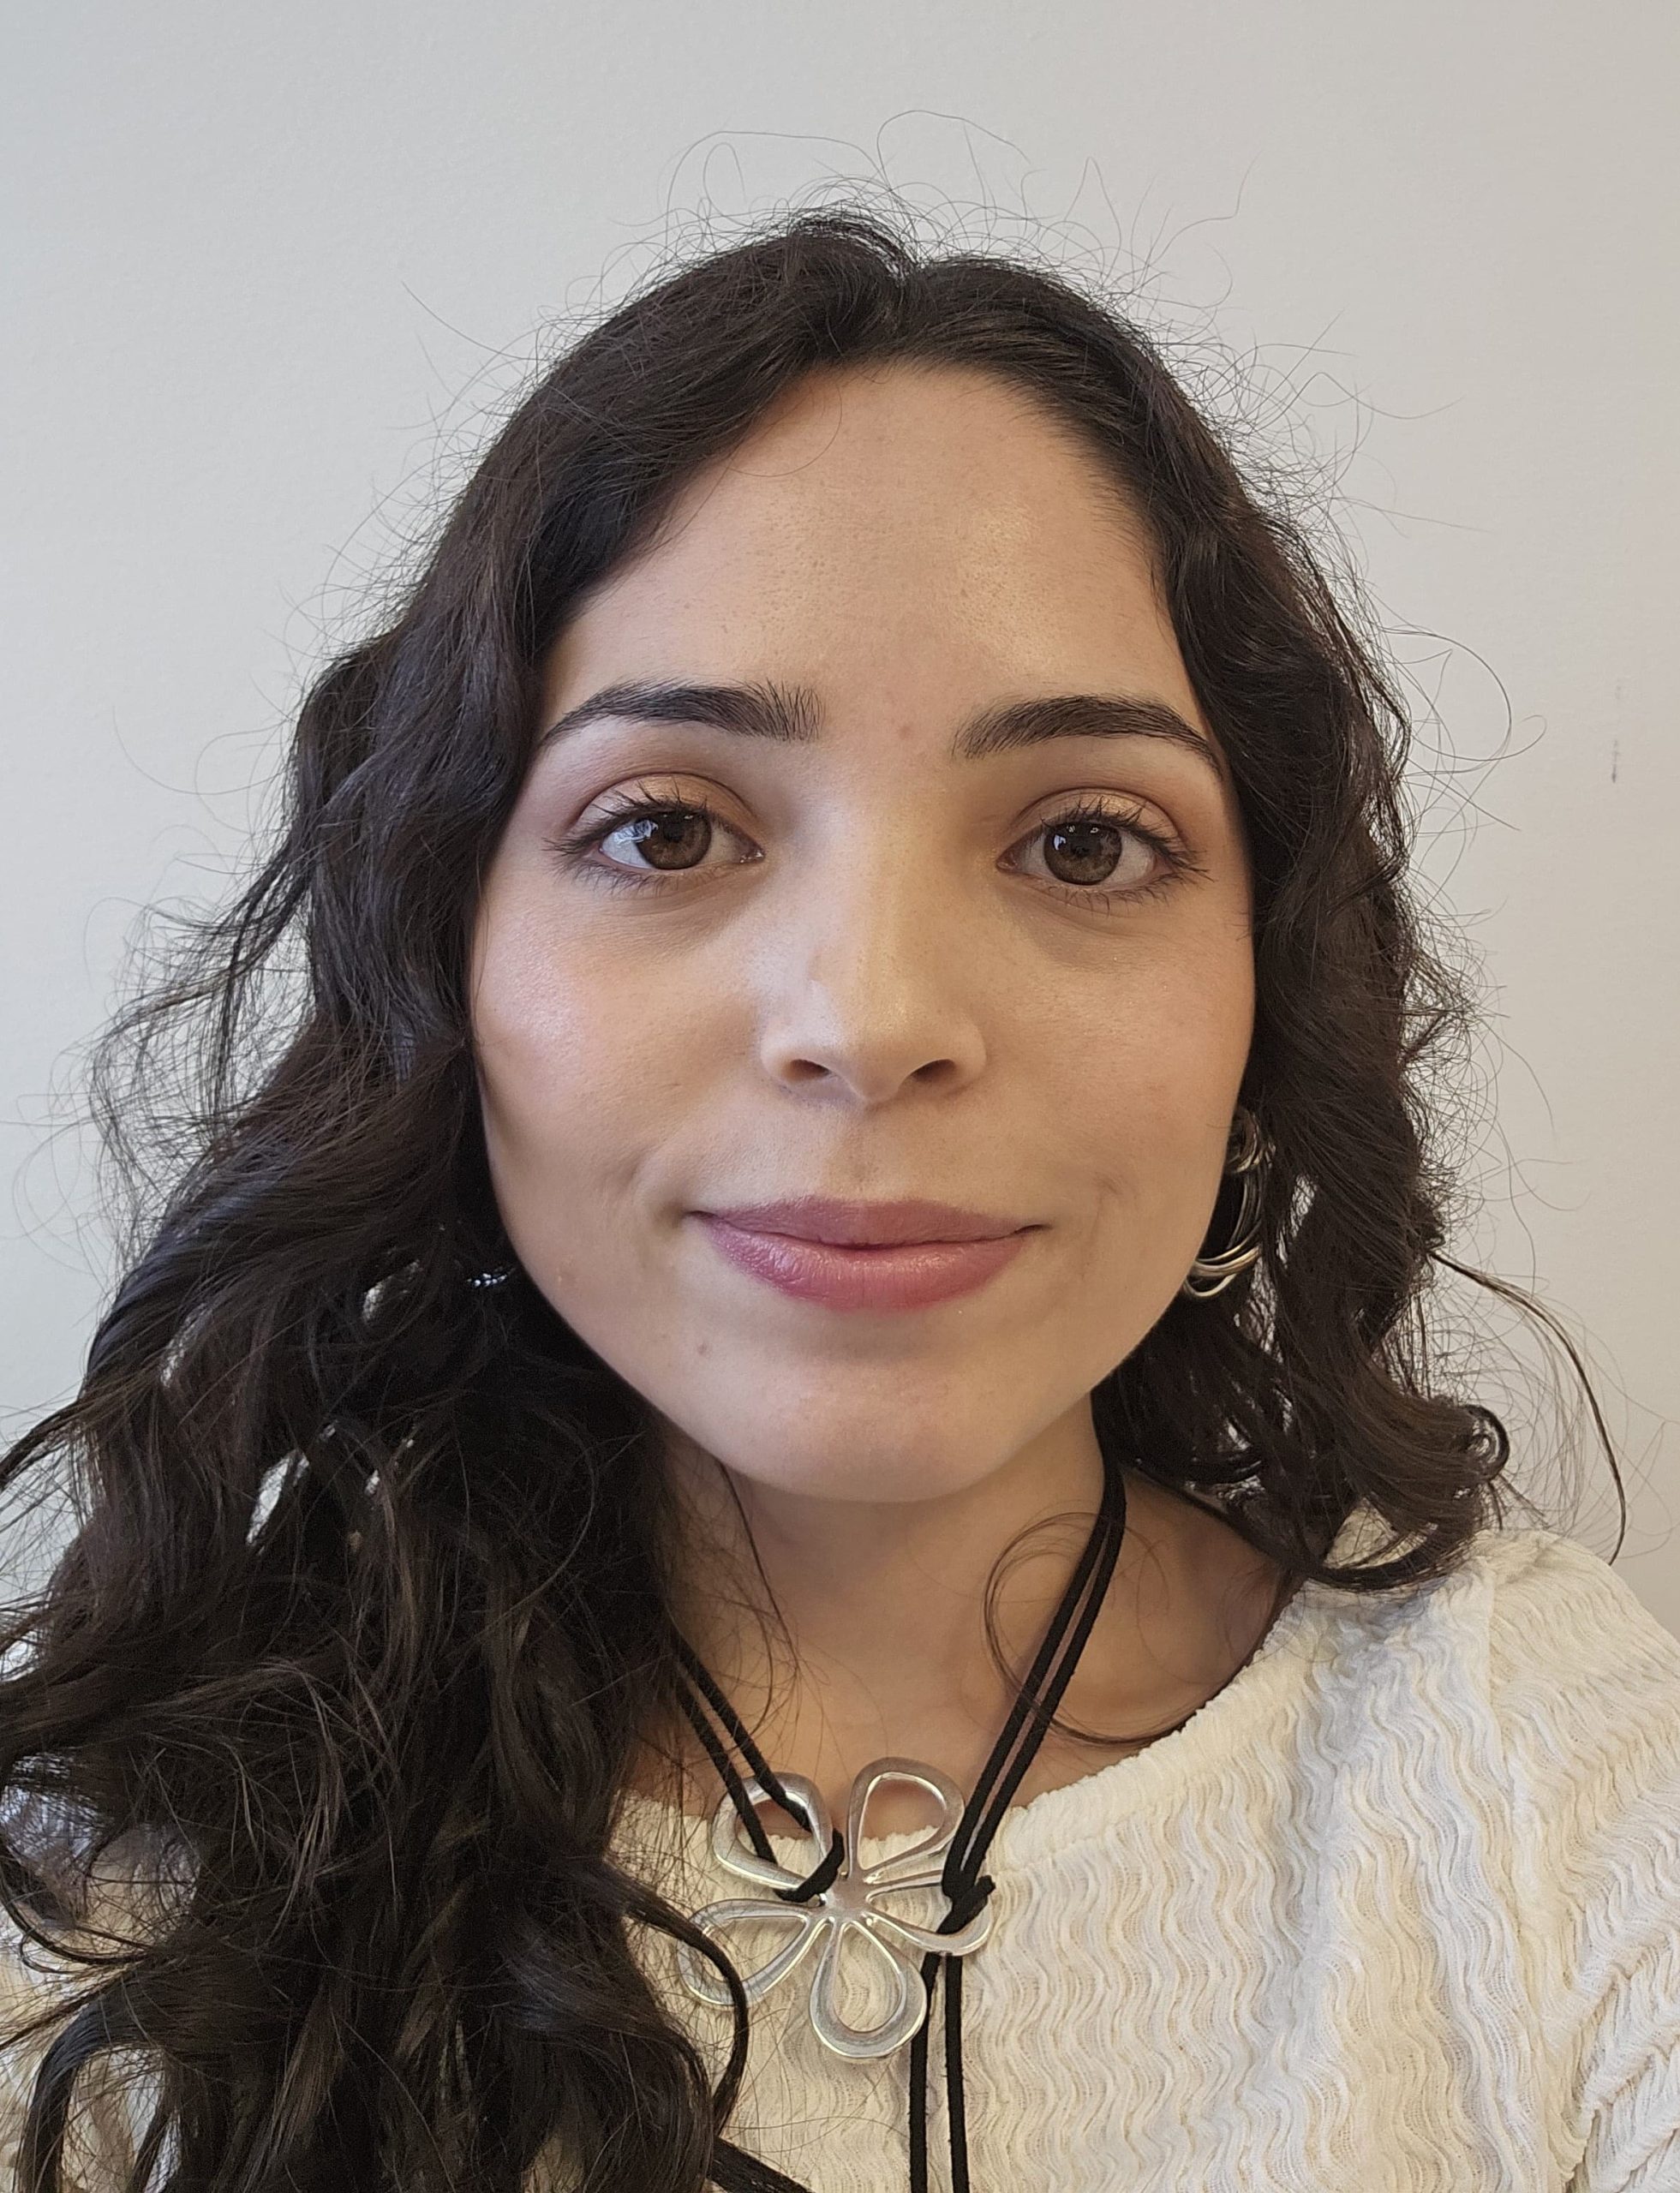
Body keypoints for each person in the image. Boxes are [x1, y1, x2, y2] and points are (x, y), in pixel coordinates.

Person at [0, 203, 1674, 2193]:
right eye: (666, 828)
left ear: (1267, 990)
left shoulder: (1548, 1776)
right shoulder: (118, 1887)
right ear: (443, 957)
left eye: (1082, 841)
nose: (871, 1022)